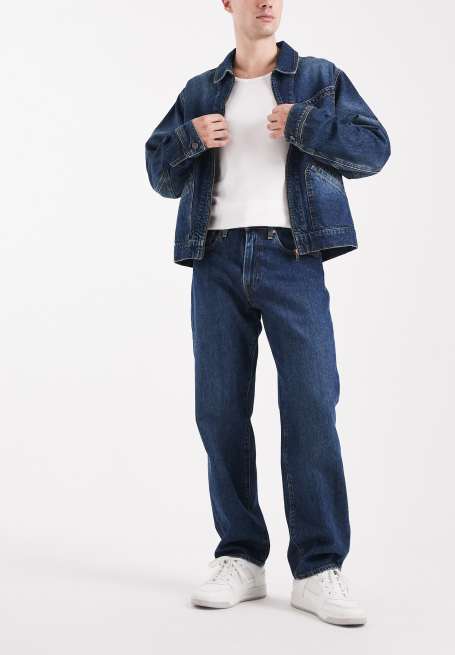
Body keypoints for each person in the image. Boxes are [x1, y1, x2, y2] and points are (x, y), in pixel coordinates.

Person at [144, 0, 390, 626]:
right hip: (215, 257)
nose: (267, 2)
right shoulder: (201, 89)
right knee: (220, 409)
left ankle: (317, 567)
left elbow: (373, 150)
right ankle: (241, 557)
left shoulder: (319, 78)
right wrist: (190, 138)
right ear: (227, 3)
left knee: (311, 403)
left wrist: (306, 123)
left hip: (293, 255)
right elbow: (159, 173)